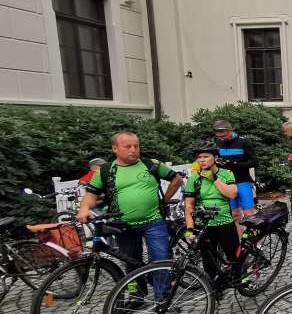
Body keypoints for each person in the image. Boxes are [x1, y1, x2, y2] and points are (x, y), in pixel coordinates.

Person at [77, 132, 184, 298]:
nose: (133, 150)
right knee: (131, 262)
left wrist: (164, 199)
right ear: (115, 148)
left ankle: (163, 297)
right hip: (123, 225)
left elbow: (176, 179)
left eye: (136, 146)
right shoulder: (105, 171)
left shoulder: (151, 164)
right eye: (128, 147)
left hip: (154, 221)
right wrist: (84, 209)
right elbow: (90, 195)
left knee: (162, 259)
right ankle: (137, 297)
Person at [183, 142, 240, 283]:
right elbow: (189, 206)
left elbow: (232, 194)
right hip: (204, 224)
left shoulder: (226, 173)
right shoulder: (194, 178)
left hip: (224, 221)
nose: (202, 160)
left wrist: (214, 179)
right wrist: (189, 228)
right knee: (208, 260)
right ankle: (215, 285)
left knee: (233, 255)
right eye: (199, 157)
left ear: (215, 157)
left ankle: (242, 280)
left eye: (206, 156)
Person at [213, 120, 258, 226]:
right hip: (227, 182)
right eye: (219, 137)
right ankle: (239, 241)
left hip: (242, 180)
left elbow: (255, 162)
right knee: (234, 214)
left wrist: (236, 164)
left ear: (230, 131)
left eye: (223, 136)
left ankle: (255, 242)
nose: (221, 139)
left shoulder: (243, 142)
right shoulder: (217, 143)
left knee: (249, 213)